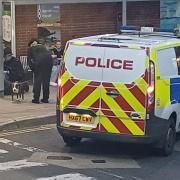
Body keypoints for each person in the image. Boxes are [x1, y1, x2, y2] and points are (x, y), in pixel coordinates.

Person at [27, 39, 53, 104]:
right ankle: (45, 99)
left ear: (31, 45)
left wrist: (34, 70)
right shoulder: (44, 47)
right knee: (46, 81)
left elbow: (29, 62)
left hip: (39, 63)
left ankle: (36, 99)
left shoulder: (30, 49)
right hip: (49, 63)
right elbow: (49, 56)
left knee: (37, 81)